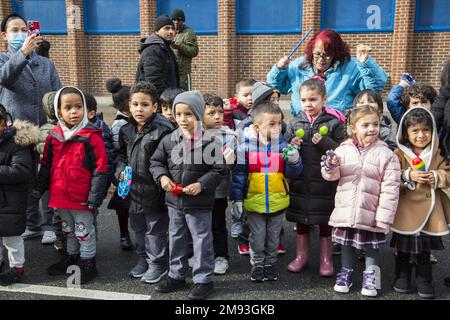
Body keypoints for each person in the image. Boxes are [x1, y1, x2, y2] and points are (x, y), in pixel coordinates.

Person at [150, 91, 227, 300]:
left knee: (202, 240)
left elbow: (220, 170)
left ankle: (203, 279)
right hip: (174, 202)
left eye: (189, 114)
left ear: (199, 115)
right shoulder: (169, 140)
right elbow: (156, 162)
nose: (183, 119)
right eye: (179, 114)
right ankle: (176, 274)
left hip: (199, 203)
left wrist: (202, 184)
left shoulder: (210, 142)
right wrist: (163, 178)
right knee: (176, 238)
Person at [321, 105, 401, 297]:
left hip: (372, 212)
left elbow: (391, 189)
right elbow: (331, 176)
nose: (371, 128)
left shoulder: (387, 154)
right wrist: (330, 167)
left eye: (375, 124)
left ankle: (372, 277)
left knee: (372, 248)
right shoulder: (342, 150)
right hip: (346, 210)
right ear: (353, 128)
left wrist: (383, 217)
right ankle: (345, 273)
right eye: (365, 125)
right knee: (347, 244)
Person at [33, 86, 109, 284]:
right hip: (60, 196)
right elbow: (46, 165)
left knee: (84, 231)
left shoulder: (92, 137)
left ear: (85, 109)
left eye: (78, 106)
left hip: (82, 197)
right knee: (68, 230)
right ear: (59, 112)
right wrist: (38, 189)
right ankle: (71, 258)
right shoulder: (54, 136)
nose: (74, 111)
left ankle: (87, 262)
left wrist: (95, 197)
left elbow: (100, 170)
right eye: (68, 108)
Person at [0, 13, 61, 240]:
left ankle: (48, 225)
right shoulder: (4, 60)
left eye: (24, 29)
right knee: (23, 179)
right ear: (4, 36)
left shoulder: (45, 63)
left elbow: (56, 94)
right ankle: (30, 223)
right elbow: (5, 79)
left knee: (45, 176)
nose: (20, 34)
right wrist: (23, 53)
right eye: (14, 30)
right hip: (17, 131)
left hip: (45, 130)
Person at [231, 101, 302, 282]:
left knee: (273, 237)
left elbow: (292, 173)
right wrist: (237, 200)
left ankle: (269, 263)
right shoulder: (245, 148)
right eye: (272, 124)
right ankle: (257, 264)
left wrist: (294, 161)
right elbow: (239, 176)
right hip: (254, 202)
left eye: (279, 123)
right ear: (257, 127)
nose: (278, 127)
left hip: (278, 201)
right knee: (257, 236)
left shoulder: (283, 147)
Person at [284, 78, 345, 276]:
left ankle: (326, 259)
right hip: (301, 182)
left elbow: (343, 152)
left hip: (324, 183)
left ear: (324, 99)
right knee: (301, 220)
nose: (308, 104)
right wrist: (291, 144)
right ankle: (301, 257)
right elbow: (285, 151)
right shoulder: (294, 123)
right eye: (304, 100)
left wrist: (325, 142)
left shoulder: (334, 123)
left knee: (325, 221)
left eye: (313, 99)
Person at [115, 81, 174, 283]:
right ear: (129, 106)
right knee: (138, 227)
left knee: (155, 229)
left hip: (155, 190)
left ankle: (158, 263)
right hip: (132, 190)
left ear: (154, 107)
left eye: (145, 104)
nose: (139, 109)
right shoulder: (126, 130)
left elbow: (169, 161)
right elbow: (119, 155)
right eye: (135, 104)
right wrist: (120, 170)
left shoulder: (163, 130)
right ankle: (143, 259)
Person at [390, 107, 450, 299]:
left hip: (430, 210)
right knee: (403, 249)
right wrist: (408, 175)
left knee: (424, 250)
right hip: (406, 210)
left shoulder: (437, 154)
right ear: (406, 133)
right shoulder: (399, 154)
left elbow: (447, 173)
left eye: (426, 130)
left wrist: (435, 176)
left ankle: (424, 280)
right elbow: (391, 177)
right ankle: (402, 276)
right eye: (415, 130)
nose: (421, 135)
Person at [267, 29, 387, 116]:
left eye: (327, 55)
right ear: (312, 50)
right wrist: (279, 69)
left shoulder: (351, 68)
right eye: (317, 54)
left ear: (336, 53)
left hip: (335, 130)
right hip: (301, 127)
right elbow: (276, 86)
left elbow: (374, 88)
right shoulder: (298, 66)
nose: (321, 59)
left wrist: (366, 64)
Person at [0, 104, 38, 285]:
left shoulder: (16, 143)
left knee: (11, 238)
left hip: (11, 202)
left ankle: (17, 267)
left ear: (4, 123)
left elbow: (21, 171)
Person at [203, 93, 237, 275]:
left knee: (217, 224)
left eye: (220, 112)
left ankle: (221, 256)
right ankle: (203, 254)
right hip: (199, 189)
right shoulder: (195, 134)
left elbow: (231, 164)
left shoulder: (229, 136)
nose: (217, 117)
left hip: (218, 190)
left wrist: (229, 161)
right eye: (211, 113)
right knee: (200, 224)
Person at [105, 78, 133, 250]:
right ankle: (124, 234)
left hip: (135, 169)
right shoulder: (119, 125)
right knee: (123, 205)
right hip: (125, 172)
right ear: (126, 104)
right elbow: (117, 151)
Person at [37, 91, 61, 247]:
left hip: (46, 171)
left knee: (47, 200)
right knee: (52, 202)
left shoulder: (43, 128)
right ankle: (51, 228)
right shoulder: (55, 130)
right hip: (54, 172)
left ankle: (49, 228)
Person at [136, 15, 179, 95]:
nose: (171, 31)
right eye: (166, 28)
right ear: (156, 31)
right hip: (158, 102)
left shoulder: (166, 48)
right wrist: (163, 103)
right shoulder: (153, 50)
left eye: (172, 28)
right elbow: (153, 83)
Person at [171, 9, 199, 91]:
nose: (176, 22)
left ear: (182, 21)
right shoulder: (170, 31)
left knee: (185, 96)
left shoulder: (188, 33)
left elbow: (194, 51)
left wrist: (180, 47)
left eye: (179, 20)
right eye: (174, 20)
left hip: (183, 73)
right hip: (172, 72)